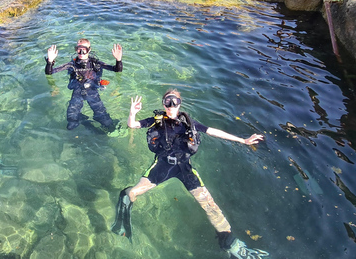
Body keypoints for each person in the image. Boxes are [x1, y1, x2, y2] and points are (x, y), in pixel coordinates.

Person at [111, 89, 269, 258]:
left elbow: (213, 131)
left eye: (174, 102)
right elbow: (132, 125)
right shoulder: (156, 121)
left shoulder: (189, 123)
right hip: (162, 165)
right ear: (163, 104)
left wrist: (242, 140)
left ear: (180, 104)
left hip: (185, 167)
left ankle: (231, 245)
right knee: (132, 192)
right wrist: (132, 113)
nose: (171, 106)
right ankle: (122, 216)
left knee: (209, 204)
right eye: (167, 102)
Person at [45, 39, 123, 131]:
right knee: (71, 123)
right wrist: (50, 62)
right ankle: (83, 120)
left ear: (89, 50)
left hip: (92, 92)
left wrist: (118, 60)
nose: (81, 52)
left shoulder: (95, 63)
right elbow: (50, 73)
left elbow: (117, 70)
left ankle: (88, 121)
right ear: (76, 49)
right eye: (78, 49)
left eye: (84, 49)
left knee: (107, 122)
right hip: (77, 92)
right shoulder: (72, 65)